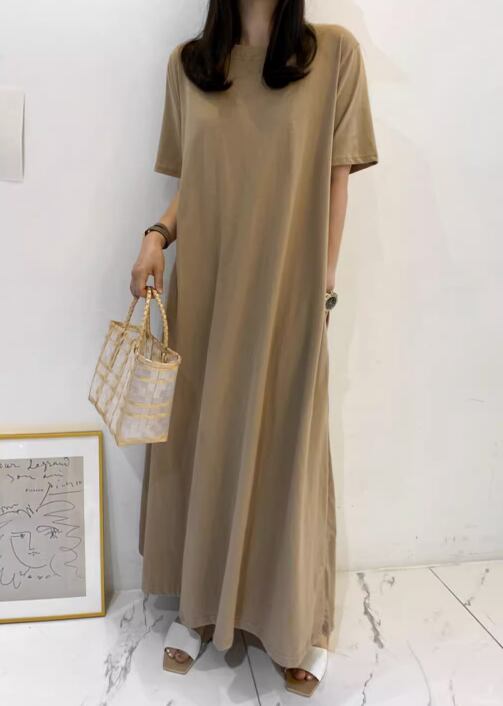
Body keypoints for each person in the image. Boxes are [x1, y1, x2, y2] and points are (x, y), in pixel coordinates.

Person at [132, 0, 378, 697]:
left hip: (287, 291)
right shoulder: (189, 66)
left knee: (286, 446)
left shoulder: (332, 55)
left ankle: (294, 620)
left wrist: (322, 287)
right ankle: (197, 606)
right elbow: (194, 181)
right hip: (206, 287)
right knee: (200, 443)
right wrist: (156, 234)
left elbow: (335, 177)